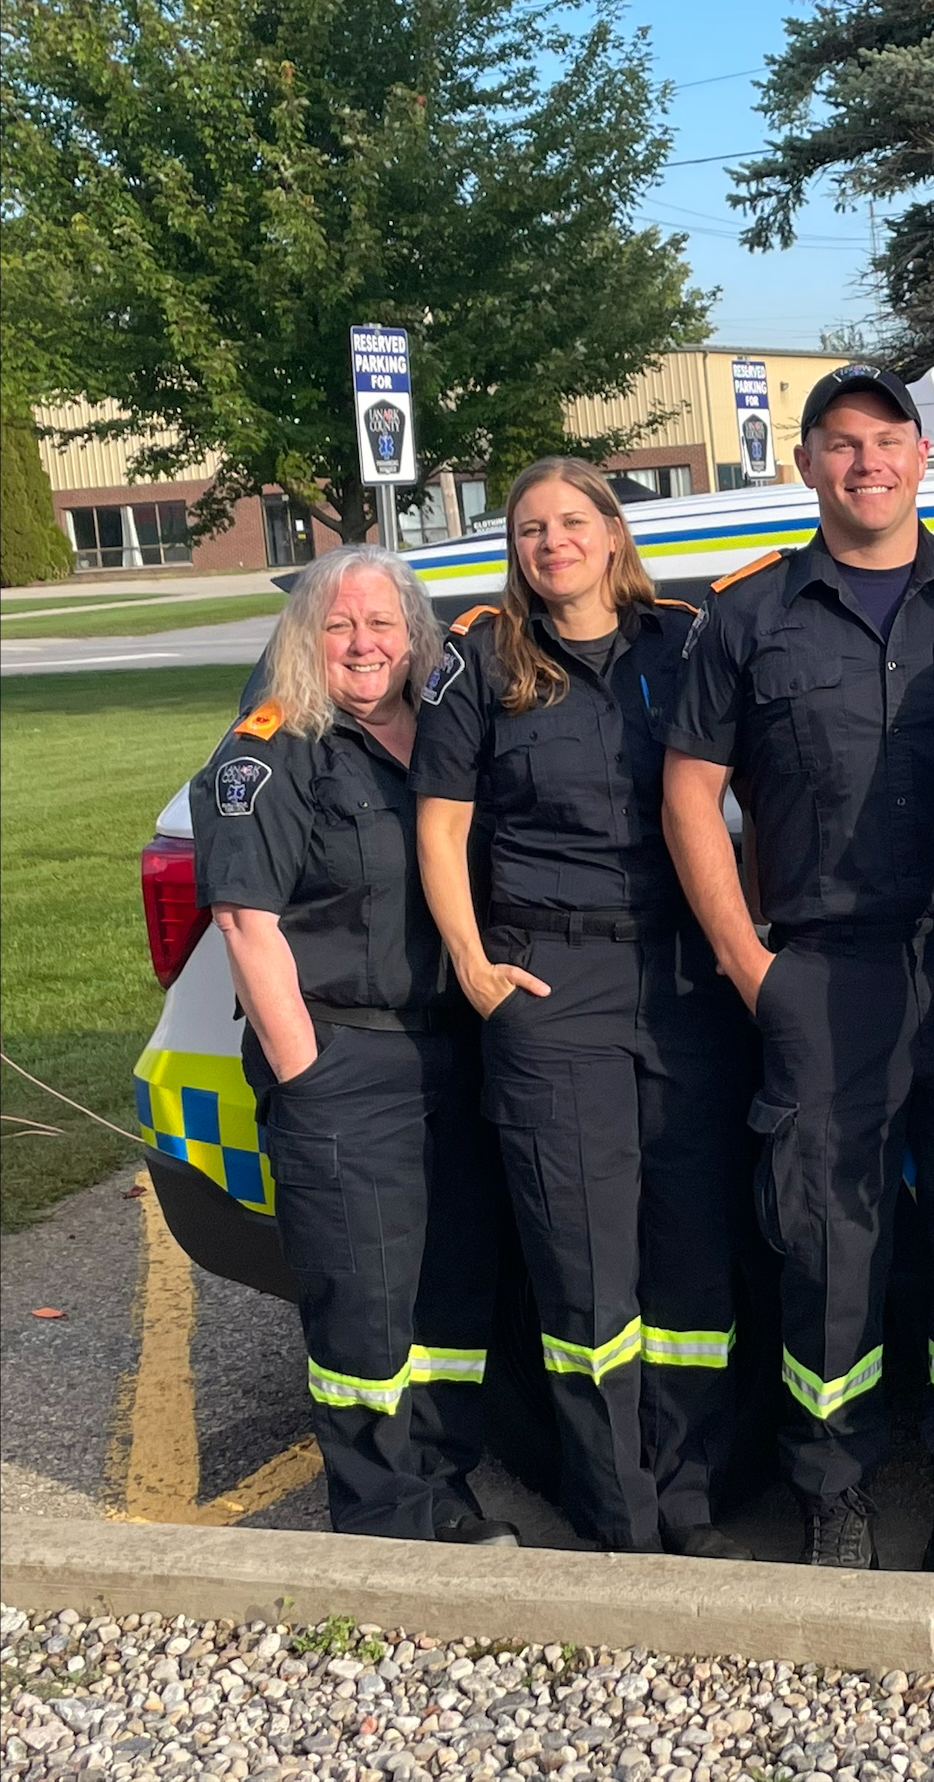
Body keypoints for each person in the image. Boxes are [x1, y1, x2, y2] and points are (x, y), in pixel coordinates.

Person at [662, 364, 934, 1579]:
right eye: (841, 445)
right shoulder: (748, 612)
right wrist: (749, 965)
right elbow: (690, 795)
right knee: (829, 1247)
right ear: (806, 465)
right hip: (824, 977)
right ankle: (832, 1491)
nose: (867, 463)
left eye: (888, 441)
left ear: (922, 457)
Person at [411, 457, 757, 1558]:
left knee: (691, 1260)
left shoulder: (685, 642)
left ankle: (691, 1497)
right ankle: (619, 1516)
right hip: (552, 986)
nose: (550, 542)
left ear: (613, 534)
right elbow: (442, 825)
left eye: (571, 521)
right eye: (529, 529)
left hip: (686, 984)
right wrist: (470, 962)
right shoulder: (482, 662)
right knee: (585, 1271)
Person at [193, 545, 510, 1544]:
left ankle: (440, 1474)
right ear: (307, 639)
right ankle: (380, 1510)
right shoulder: (271, 750)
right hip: (345, 1058)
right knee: (363, 1300)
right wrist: (308, 1073)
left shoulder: (445, 739)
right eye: (340, 627)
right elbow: (248, 925)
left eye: (384, 625)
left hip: (449, 1051)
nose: (365, 645)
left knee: (448, 1283)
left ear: (417, 637)